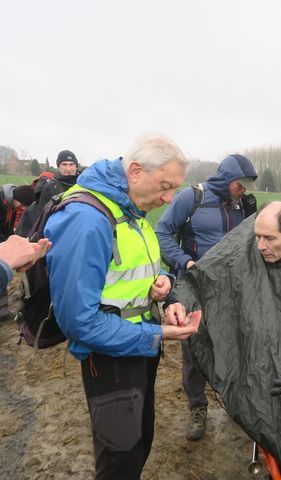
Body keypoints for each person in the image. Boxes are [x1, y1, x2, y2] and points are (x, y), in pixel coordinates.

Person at [44, 134, 202, 480]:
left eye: (175, 188)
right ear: (134, 170)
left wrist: (165, 291)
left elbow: (134, 270)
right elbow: (79, 323)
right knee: (119, 458)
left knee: (140, 443)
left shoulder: (132, 208)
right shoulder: (88, 219)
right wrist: (159, 332)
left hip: (138, 348)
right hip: (110, 357)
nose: (169, 198)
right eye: (164, 185)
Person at [167, 200, 281, 480]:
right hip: (260, 349)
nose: (260, 246)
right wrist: (179, 303)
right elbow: (199, 278)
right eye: (257, 236)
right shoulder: (246, 246)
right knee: (263, 402)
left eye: (269, 239)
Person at [155, 154, 257, 441]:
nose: (244, 189)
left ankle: (237, 405)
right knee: (195, 349)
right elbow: (161, 232)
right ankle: (197, 407)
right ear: (227, 179)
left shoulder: (243, 205)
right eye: (241, 183)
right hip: (196, 287)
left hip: (232, 290)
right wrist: (184, 261)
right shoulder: (192, 198)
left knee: (237, 346)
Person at [16, 149, 81, 237]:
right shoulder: (49, 187)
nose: (68, 169)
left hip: (79, 230)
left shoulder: (84, 184)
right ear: (58, 167)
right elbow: (42, 216)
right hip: (56, 233)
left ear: (76, 166)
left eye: (71, 164)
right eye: (64, 164)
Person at [0, 184, 36, 320]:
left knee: (2, 278)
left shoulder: (11, 205)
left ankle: (2, 313)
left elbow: (8, 228)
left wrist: (11, 241)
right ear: (15, 198)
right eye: (22, 204)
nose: (22, 208)